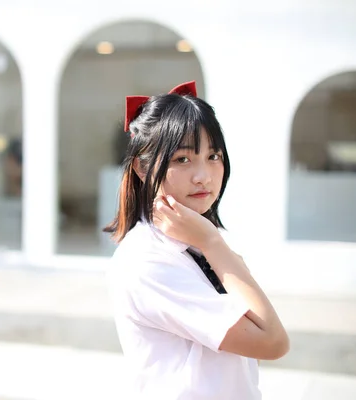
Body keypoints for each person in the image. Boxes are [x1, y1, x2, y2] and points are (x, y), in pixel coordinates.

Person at [105, 81, 289, 399]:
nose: (203, 175)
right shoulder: (149, 261)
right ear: (141, 168)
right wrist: (214, 245)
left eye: (213, 156)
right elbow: (272, 341)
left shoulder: (198, 240)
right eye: (182, 160)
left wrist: (212, 243)